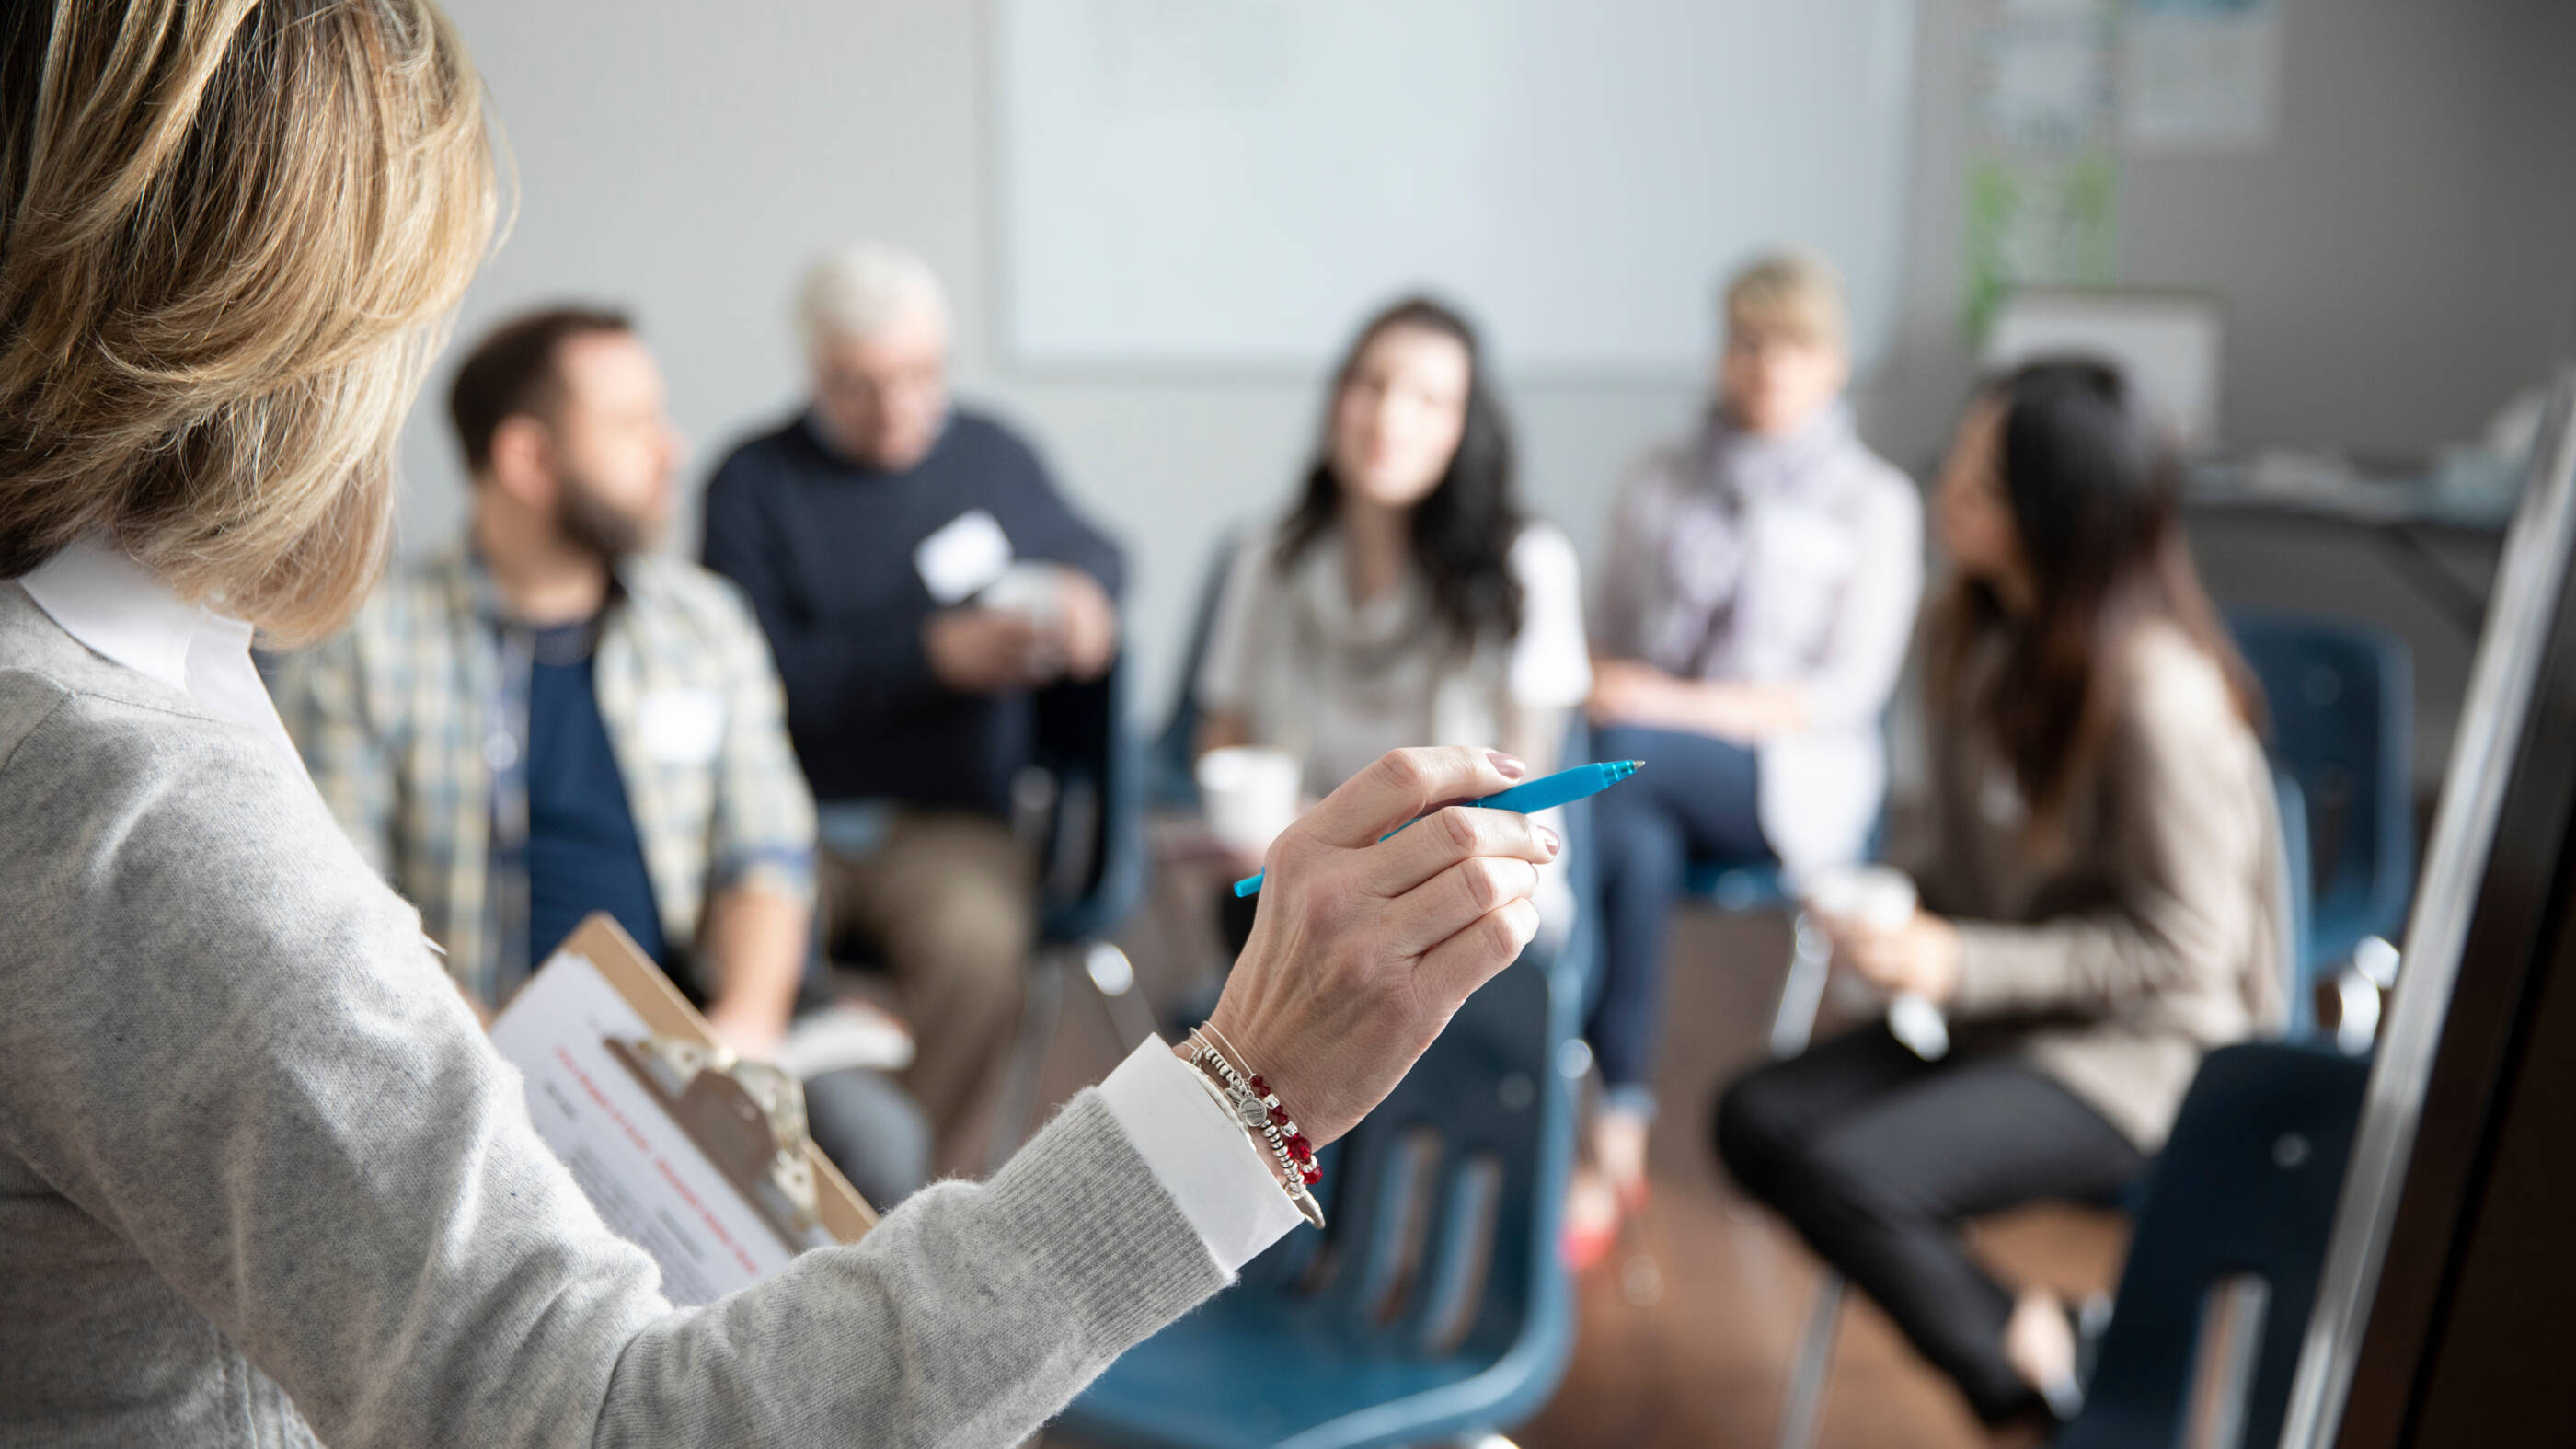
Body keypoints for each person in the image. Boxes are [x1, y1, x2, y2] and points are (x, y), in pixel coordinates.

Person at [0, 5, 1558, 1444]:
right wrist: (1246, 1088)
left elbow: (769, 817)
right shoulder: (151, 818)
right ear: (274, 338)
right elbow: (608, 1417)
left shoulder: (153, 682)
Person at [1713, 361, 2287, 1430]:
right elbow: (1959, 861)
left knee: (1852, 1175)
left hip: (2145, 1054)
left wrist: (1957, 963)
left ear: (2053, 516)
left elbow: (2183, 948)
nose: (1945, 497)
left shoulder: (2161, 695)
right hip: (2009, 1024)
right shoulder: (1963, 632)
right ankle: (2037, 1336)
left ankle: (2026, 1403)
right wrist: (1888, 912)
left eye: (1976, 486)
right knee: (1753, 1118)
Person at [273, 305, 930, 1209]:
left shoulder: (702, 624)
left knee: (878, 1143)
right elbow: (346, 910)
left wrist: (735, 1040)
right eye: (632, 426)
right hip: (472, 1052)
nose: (674, 450)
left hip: (694, 1043)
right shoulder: (367, 645)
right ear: (529, 461)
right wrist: (502, 1067)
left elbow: (766, 854)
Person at [701, 242, 1122, 1151]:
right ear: (814, 370)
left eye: (919, 376)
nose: (896, 408)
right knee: (734, 938)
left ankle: (901, 1187)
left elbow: (1096, 550)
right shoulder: (752, 485)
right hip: (787, 815)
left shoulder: (990, 457)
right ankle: (769, 1174)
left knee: (978, 942)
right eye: (860, 384)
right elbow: (753, 678)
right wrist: (929, 658)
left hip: (949, 823)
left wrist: (1086, 595)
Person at [1576, 251, 1923, 1255]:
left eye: (1795, 345)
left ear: (1837, 363)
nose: (1767, 365)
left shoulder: (1874, 503)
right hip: (1644, 770)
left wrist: (1668, 705)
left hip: (1792, 780)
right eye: (1748, 342)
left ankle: (1567, 1081)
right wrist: (1617, 683)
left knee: (1621, 757)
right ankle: (1620, 1120)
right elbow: (1600, 632)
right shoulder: (1659, 477)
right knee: (1629, 830)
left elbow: (1841, 696)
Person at [1194, 295, 1593, 949]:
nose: (1389, 418)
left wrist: (1363, 845)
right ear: (1336, 398)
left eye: (1430, 401)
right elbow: (1222, 739)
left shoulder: (1527, 563)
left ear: (1467, 426)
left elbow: (1527, 776)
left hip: (1464, 880)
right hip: (1298, 879)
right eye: (1370, 386)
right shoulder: (1268, 559)